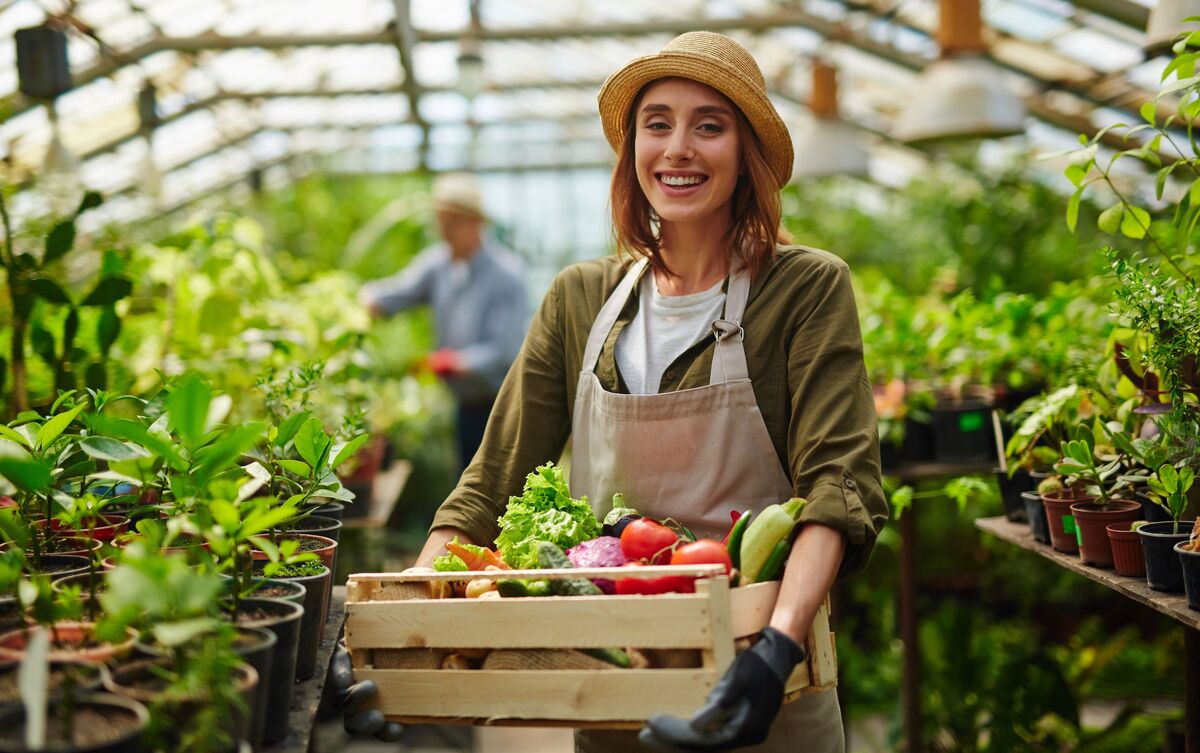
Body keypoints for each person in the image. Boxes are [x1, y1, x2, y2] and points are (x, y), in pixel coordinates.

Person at [335, 31, 887, 752]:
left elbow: (838, 489)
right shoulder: (580, 299)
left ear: (745, 155)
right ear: (632, 150)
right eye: (657, 124)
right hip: (610, 688)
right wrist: (405, 631)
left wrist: (776, 649)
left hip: (761, 689)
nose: (678, 148)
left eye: (709, 126)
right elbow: (485, 490)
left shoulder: (803, 289)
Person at [359, 172, 529, 470]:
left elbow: (505, 348)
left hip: (502, 404)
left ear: (476, 223)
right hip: (465, 402)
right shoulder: (438, 265)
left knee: (499, 482)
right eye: (440, 223)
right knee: (467, 475)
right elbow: (400, 293)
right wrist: (363, 300)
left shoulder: (507, 274)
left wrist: (455, 362)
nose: (444, 232)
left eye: (452, 223)